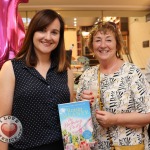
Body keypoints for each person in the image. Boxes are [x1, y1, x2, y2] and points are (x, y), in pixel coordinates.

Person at [0, 9, 74, 150]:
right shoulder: (11, 68)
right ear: (32, 33)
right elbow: (4, 120)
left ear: (60, 37)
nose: (48, 37)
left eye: (54, 32)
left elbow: (70, 116)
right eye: (42, 30)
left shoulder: (66, 70)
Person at [76, 21, 150, 150]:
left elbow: (148, 114)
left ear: (117, 44)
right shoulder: (87, 76)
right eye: (98, 40)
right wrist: (82, 104)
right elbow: (78, 117)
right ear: (92, 46)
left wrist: (115, 119)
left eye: (109, 40)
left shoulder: (132, 73)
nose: (103, 45)